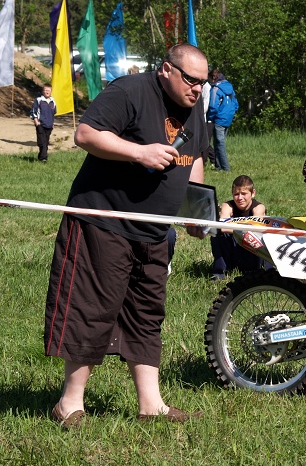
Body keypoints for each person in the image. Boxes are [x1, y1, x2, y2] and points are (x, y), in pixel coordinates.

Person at [44, 43, 210, 428]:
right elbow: (85, 134)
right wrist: (140, 153)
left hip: (154, 231)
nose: (198, 89)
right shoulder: (129, 91)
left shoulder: (194, 105)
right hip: (104, 222)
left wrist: (195, 211)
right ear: (166, 69)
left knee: (146, 314)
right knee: (92, 310)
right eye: (191, 80)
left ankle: (151, 405)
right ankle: (69, 403)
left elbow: (196, 155)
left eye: (203, 82)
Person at [210, 175, 266, 279]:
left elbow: (255, 229)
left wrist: (234, 227)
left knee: (259, 236)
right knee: (218, 234)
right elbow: (222, 227)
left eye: (244, 194)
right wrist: (245, 228)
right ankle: (219, 273)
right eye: (236, 194)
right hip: (234, 251)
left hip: (252, 252)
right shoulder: (228, 206)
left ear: (253, 193)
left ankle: (257, 273)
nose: (240, 198)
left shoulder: (258, 207)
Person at [206, 72, 239, 172]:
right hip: (228, 118)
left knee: (220, 144)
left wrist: (209, 117)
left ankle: (225, 167)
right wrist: (230, 113)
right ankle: (218, 166)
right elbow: (236, 104)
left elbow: (213, 106)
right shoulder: (230, 87)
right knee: (217, 142)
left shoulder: (216, 88)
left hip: (219, 118)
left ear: (213, 78)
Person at [30, 84, 57, 162]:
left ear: (51, 91)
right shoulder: (38, 100)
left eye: (48, 90)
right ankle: (44, 158)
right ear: (42, 91)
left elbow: (54, 113)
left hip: (49, 125)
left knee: (46, 142)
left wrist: (52, 123)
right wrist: (36, 122)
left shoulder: (53, 101)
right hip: (40, 124)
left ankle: (41, 156)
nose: (47, 92)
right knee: (42, 142)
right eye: (45, 90)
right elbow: (33, 111)